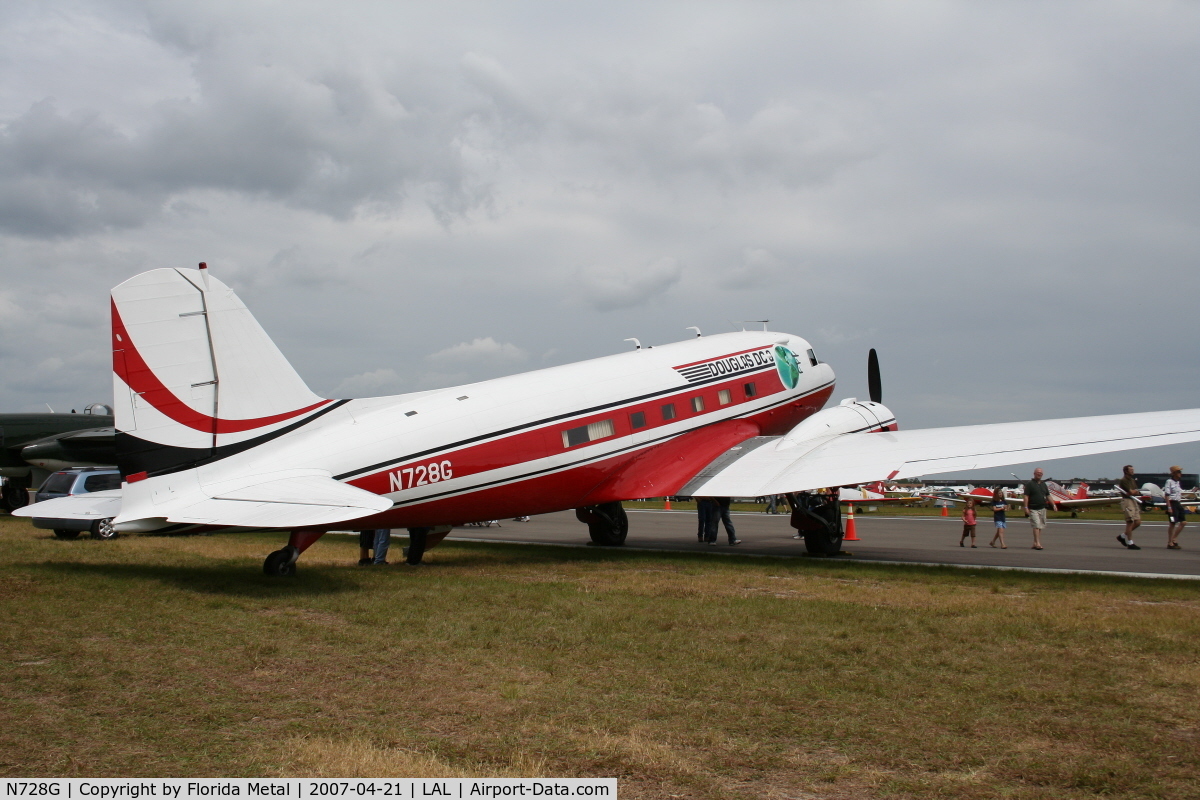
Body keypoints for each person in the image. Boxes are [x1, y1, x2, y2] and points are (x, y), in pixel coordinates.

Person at [1023, 468, 1052, 550]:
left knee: (1040, 526)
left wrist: (1053, 505)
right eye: (1038, 472)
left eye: (1041, 473)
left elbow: (1048, 495)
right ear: (1034, 473)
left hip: (1042, 508)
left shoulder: (1043, 484)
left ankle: (1035, 542)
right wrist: (1026, 507)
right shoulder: (1029, 484)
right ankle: (1038, 544)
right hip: (1033, 508)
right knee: (1036, 525)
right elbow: (1026, 496)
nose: (1039, 474)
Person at [1116, 465, 1143, 550]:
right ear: (1126, 471)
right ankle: (1130, 542)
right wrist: (1133, 492)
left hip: (1133, 500)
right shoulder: (1124, 480)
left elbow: (1136, 491)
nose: (1132, 471)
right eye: (1131, 470)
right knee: (1130, 521)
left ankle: (1122, 536)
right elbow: (1130, 491)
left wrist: (1134, 492)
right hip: (1127, 501)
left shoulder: (1132, 480)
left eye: (1133, 469)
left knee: (1138, 522)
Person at [1164, 466, 1187, 550]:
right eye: (1178, 472)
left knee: (1183, 522)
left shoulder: (1178, 482)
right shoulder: (1169, 482)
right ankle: (1170, 542)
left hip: (1178, 503)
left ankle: (1174, 538)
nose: (1180, 473)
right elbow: (1166, 495)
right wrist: (1169, 507)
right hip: (1172, 503)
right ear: (1174, 473)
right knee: (1172, 523)